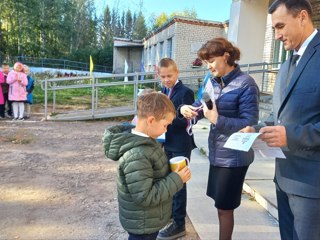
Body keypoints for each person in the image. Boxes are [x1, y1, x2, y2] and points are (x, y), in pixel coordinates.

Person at [241, 1, 320, 239]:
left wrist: (291, 135)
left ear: (302, 17)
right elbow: (279, 114)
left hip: (311, 186)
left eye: (280, 26)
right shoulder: (286, 65)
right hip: (282, 179)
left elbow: (291, 128)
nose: (276, 36)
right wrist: (256, 129)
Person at [180, 38, 259, 240]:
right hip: (217, 152)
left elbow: (249, 123)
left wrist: (217, 119)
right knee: (220, 205)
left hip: (234, 156)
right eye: (206, 62)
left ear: (226, 56)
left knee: (225, 208)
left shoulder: (246, 84)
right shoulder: (210, 80)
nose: (208, 66)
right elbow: (201, 104)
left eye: (212, 60)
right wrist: (189, 110)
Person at [102, 92, 192, 240]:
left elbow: (151, 175)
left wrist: (169, 170)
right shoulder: (137, 154)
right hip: (142, 225)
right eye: (165, 125)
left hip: (146, 221)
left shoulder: (147, 141)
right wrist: (177, 179)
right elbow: (145, 196)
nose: (166, 130)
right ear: (151, 120)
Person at [156, 58, 196, 240]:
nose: (166, 80)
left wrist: (166, 120)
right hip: (168, 143)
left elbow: (188, 121)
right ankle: (172, 217)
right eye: (163, 76)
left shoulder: (185, 92)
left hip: (181, 145)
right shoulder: (163, 91)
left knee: (179, 183)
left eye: (169, 76)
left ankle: (179, 224)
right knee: (170, 182)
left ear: (177, 73)